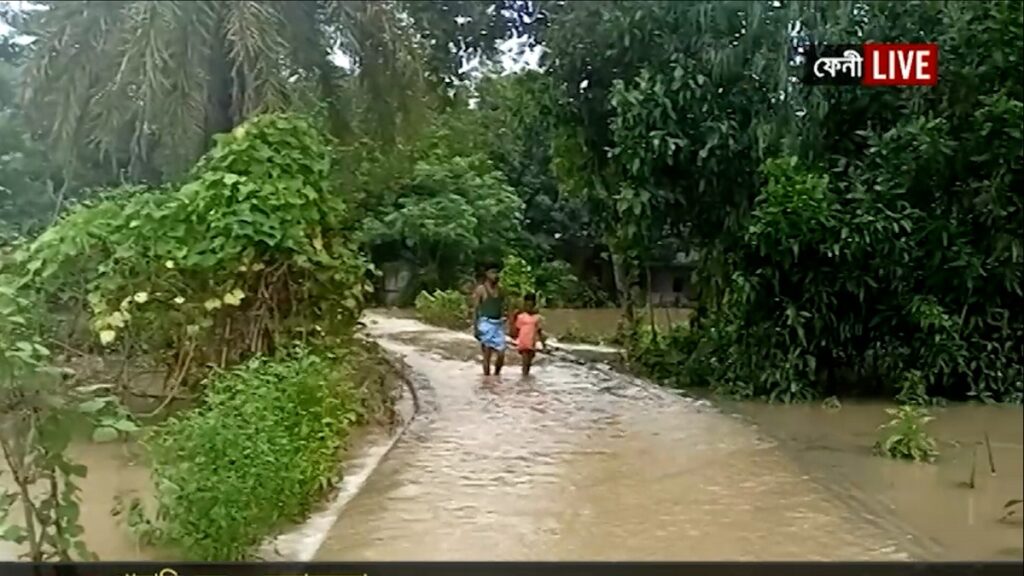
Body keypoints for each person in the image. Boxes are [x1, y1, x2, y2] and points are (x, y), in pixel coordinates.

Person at [471, 266, 506, 376]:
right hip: (485, 323)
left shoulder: (501, 290)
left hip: (498, 324)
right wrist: (475, 327)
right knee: (487, 354)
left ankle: (496, 376)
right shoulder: (481, 290)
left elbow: (503, 307)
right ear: (487, 274)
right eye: (493, 273)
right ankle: (487, 379)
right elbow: (476, 309)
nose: (496, 275)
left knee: (501, 353)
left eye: (497, 272)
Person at [509, 293, 546, 376]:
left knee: (529, 362)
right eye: (527, 305)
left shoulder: (537, 317)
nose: (529, 308)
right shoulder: (521, 316)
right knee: (525, 362)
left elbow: (539, 330)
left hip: (532, 342)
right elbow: (516, 329)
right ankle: (524, 376)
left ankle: (525, 377)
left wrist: (542, 342)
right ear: (524, 305)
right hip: (524, 342)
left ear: (534, 305)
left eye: (531, 306)